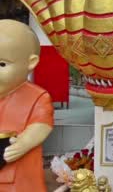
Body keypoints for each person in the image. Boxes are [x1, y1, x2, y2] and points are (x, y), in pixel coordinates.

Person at [0, 20, 54, 192]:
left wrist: (24, 143)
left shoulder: (37, 96)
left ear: (30, 63)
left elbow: (42, 125)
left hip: (18, 174)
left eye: (2, 64)